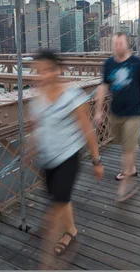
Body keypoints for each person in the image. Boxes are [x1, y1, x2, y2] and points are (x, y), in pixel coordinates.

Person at [26, 50, 104, 258]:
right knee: (62, 199)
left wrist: (97, 160)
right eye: (37, 71)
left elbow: (87, 130)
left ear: (57, 70)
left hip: (69, 157)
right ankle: (71, 230)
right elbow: (38, 129)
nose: (41, 76)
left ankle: (47, 263)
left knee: (54, 210)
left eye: (46, 71)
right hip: (48, 159)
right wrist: (31, 151)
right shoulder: (36, 102)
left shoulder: (72, 97)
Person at [94, 32, 140, 201]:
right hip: (115, 112)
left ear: (128, 44)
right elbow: (103, 86)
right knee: (124, 144)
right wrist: (99, 110)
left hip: (134, 113)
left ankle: (127, 183)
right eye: (115, 44)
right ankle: (132, 167)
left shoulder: (137, 63)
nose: (118, 46)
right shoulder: (109, 63)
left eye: (121, 43)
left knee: (127, 149)